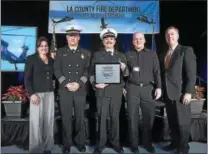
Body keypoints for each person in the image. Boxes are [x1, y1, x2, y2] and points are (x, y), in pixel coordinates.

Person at [90, 28, 129, 154]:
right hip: (101, 91)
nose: (109, 41)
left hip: (116, 91)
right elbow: (91, 73)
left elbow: (127, 74)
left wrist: (124, 69)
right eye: (106, 39)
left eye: (111, 39)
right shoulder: (96, 55)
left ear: (115, 41)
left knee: (115, 118)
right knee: (101, 118)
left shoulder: (121, 55)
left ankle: (115, 143)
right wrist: (95, 83)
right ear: (103, 41)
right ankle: (100, 144)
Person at [53, 25, 91, 154]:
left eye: (75, 35)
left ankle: (80, 142)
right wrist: (66, 83)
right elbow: (56, 70)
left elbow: (88, 71)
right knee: (66, 117)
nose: (73, 38)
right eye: (70, 35)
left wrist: (79, 84)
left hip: (80, 90)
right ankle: (67, 143)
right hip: (65, 90)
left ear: (79, 37)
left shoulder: (86, 53)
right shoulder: (60, 52)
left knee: (80, 117)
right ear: (66, 37)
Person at [160, 26, 197, 154]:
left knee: (183, 122)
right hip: (168, 94)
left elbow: (191, 74)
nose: (170, 37)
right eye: (168, 35)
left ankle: (183, 148)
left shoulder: (185, 51)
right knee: (172, 121)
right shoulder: (164, 54)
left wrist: (188, 92)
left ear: (178, 36)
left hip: (181, 93)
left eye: (172, 34)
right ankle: (174, 143)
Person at [125, 32, 162, 154]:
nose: (138, 41)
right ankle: (134, 144)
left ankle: (147, 143)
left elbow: (157, 72)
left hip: (148, 89)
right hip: (132, 88)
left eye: (140, 39)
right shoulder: (127, 54)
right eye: (135, 39)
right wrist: (123, 87)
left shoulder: (152, 54)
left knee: (148, 117)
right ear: (132, 41)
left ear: (144, 40)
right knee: (132, 117)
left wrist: (159, 87)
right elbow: (124, 73)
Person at [24, 36, 54, 154]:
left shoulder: (51, 59)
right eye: (41, 46)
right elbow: (27, 79)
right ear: (37, 47)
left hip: (49, 93)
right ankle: (36, 148)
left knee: (49, 120)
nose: (44, 48)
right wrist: (32, 94)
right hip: (36, 94)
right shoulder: (31, 59)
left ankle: (47, 146)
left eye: (45, 46)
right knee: (36, 121)